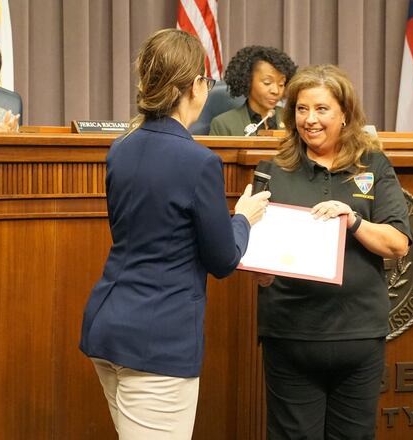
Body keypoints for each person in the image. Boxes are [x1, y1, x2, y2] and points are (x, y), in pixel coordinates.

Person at [78, 29, 270, 440]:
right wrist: (244, 218)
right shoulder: (199, 161)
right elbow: (222, 261)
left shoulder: (121, 147)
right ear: (196, 86)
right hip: (157, 341)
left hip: (107, 325)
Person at [254, 64, 412, 439]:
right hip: (291, 335)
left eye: (322, 109)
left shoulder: (373, 165)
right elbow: (257, 250)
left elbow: (398, 243)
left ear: (345, 114)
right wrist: (260, 269)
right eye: (302, 109)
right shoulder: (272, 171)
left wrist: (353, 221)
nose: (310, 120)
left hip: (357, 336)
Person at [209, 45, 297, 136]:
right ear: (247, 80)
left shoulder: (293, 119)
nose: (276, 91)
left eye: (281, 84)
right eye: (267, 82)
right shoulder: (224, 124)